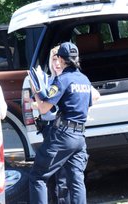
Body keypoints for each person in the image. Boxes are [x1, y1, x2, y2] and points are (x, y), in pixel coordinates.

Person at [29, 42, 92, 204]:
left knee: (38, 176)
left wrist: (35, 88)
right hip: (80, 137)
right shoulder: (84, 80)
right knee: (76, 181)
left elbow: (43, 108)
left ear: (62, 59)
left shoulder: (63, 80)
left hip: (63, 135)